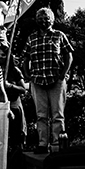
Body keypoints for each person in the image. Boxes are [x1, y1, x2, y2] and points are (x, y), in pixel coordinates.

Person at [20, 8, 73, 154]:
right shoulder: (32, 38)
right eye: (40, 18)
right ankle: (42, 143)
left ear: (52, 20)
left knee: (58, 114)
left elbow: (69, 56)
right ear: (36, 20)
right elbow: (25, 58)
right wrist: (28, 76)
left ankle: (57, 144)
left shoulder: (59, 35)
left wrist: (63, 74)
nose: (43, 20)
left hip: (56, 80)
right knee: (41, 115)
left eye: (46, 18)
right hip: (37, 81)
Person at [0, 42, 30, 169]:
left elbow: (23, 89)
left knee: (17, 144)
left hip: (15, 108)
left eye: (4, 54)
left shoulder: (14, 70)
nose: (1, 57)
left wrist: (9, 86)